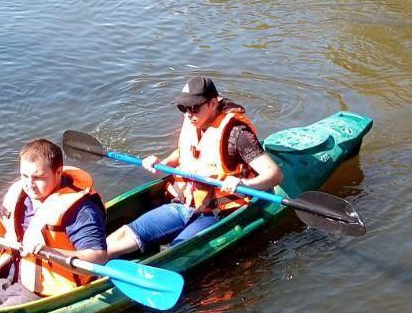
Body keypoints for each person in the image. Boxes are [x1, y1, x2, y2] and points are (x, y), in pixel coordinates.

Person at [106, 75, 282, 257]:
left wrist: (243, 184)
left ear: (213, 103)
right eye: (183, 108)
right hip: (183, 203)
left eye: (194, 108)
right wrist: (163, 163)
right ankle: (86, 264)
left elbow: (274, 174)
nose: (188, 114)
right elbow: (188, 153)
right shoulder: (194, 122)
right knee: (124, 234)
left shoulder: (238, 134)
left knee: (175, 252)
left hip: (217, 212)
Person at [0, 138, 107, 310]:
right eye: (24, 176)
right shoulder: (23, 193)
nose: (29, 184)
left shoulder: (81, 210)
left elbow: (97, 259)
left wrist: (47, 251)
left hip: (45, 291)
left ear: (58, 173)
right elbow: (2, 219)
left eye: (38, 177)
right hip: (5, 275)